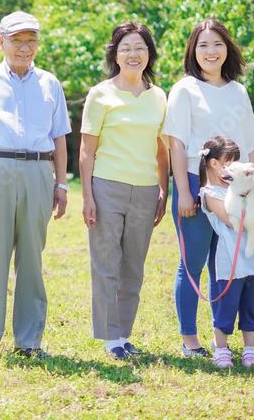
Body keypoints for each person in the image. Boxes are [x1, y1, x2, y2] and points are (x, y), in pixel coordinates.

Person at [0, 11, 71, 361]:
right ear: (1, 42)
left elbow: (60, 139)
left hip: (39, 171)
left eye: (31, 40)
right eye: (17, 40)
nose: (25, 47)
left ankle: (29, 340)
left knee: (32, 258)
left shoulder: (51, 84)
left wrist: (62, 184)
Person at [161, 19, 254, 357]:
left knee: (226, 264)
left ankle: (221, 337)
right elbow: (176, 145)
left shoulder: (238, 91)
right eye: (203, 45)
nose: (211, 51)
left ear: (227, 49)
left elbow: (250, 145)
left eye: (217, 44)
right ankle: (190, 339)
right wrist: (185, 191)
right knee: (191, 263)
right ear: (194, 50)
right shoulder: (184, 89)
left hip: (235, 189)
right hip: (195, 183)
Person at [80, 22, 169, 360]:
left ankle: (124, 333)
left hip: (146, 191)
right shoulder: (100, 94)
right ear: (115, 55)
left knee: (134, 265)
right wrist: (87, 195)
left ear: (150, 55)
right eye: (126, 48)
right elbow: (87, 150)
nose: (134, 54)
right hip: (106, 188)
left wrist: (165, 189)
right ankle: (109, 338)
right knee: (106, 263)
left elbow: (163, 150)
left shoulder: (159, 96)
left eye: (140, 48)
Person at [197, 135, 254, 368]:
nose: (232, 170)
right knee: (227, 306)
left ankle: (249, 349)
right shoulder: (210, 194)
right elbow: (234, 221)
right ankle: (221, 349)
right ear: (214, 164)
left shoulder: (239, 189)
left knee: (250, 304)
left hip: (252, 257)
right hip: (231, 259)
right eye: (229, 163)